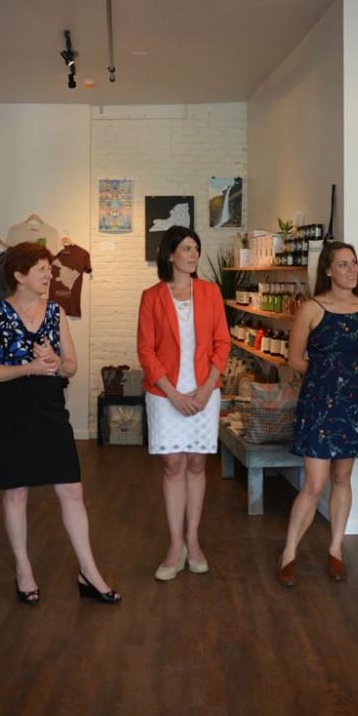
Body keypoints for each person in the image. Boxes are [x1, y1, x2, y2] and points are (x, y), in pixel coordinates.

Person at [0, 242, 119, 605]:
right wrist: (29, 367)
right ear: (20, 276)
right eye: (42, 269)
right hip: (11, 409)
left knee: (71, 489)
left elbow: (72, 366)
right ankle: (23, 569)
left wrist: (55, 360)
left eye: (49, 269)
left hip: (51, 408)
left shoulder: (56, 312)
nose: (50, 275)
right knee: (16, 491)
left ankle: (90, 572)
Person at [278, 241, 358, 587]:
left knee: (341, 478)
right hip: (319, 402)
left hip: (353, 404)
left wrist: (341, 383)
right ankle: (289, 551)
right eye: (343, 264)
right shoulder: (311, 308)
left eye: (354, 263)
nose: (351, 269)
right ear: (327, 269)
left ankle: (336, 550)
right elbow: (294, 358)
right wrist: (324, 380)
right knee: (314, 483)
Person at [137, 226, 230, 580]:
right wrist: (173, 393)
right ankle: (174, 545)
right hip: (165, 394)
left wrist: (206, 388)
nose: (193, 255)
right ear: (170, 254)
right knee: (173, 464)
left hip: (205, 391)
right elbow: (146, 350)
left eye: (196, 249)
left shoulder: (210, 293)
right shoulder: (152, 297)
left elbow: (222, 342)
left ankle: (193, 542)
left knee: (196, 465)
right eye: (187, 249)